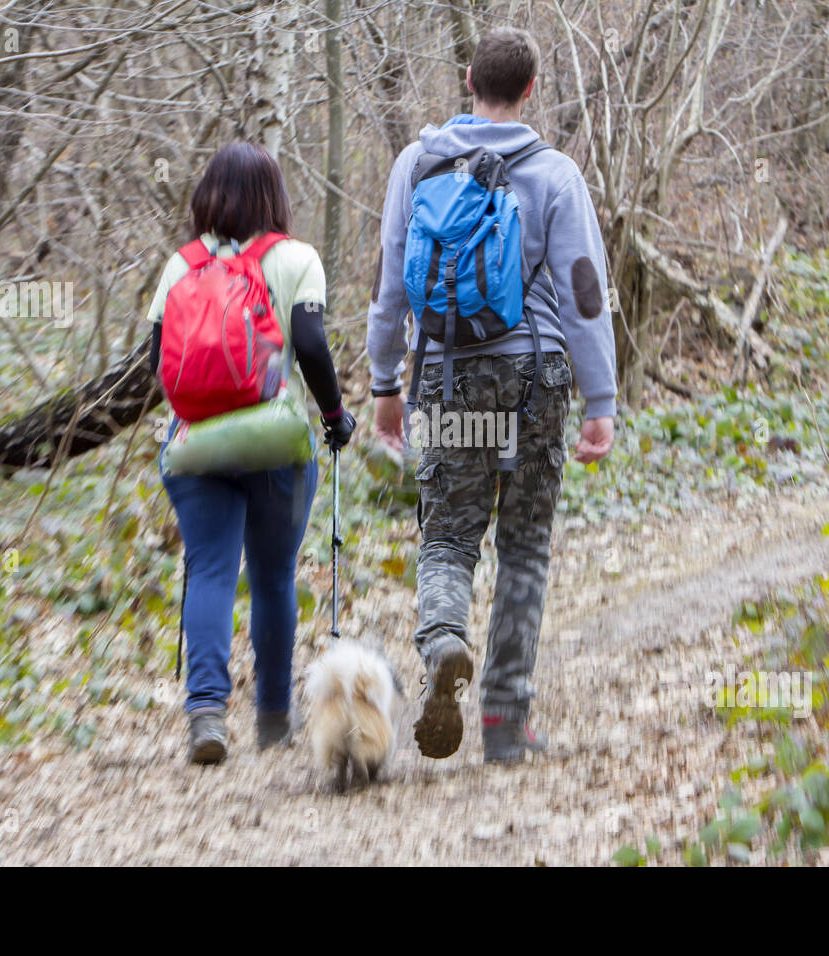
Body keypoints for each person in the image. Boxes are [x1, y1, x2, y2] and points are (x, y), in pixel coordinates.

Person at [365, 28, 617, 763]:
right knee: (526, 548)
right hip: (534, 382)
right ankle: (506, 723)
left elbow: (389, 289)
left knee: (447, 537)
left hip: (446, 376)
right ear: (532, 89)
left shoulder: (417, 164)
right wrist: (599, 401)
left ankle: (444, 638)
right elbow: (585, 295)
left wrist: (385, 384)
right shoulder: (556, 174)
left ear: (467, 78)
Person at [147, 141, 356, 764]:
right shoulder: (296, 259)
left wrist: (199, 408)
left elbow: (157, 357)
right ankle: (271, 717)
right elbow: (313, 346)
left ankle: (206, 713)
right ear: (275, 196)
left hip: (194, 444)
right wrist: (333, 415)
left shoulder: (179, 265)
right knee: (271, 576)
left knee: (209, 569)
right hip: (276, 441)